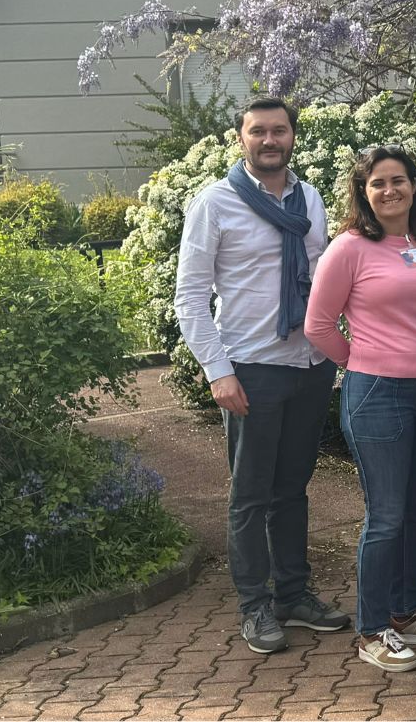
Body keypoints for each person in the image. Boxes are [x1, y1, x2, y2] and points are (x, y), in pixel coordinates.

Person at [174, 97, 351, 653]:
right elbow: (189, 298)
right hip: (250, 367)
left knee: (293, 489)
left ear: (292, 136)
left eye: (279, 130)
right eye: (258, 132)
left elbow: (325, 275)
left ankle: (293, 596)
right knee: (250, 495)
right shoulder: (216, 203)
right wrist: (216, 371)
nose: (269, 140)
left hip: (309, 364)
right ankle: (254, 605)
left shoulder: (310, 198)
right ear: (241, 139)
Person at [305, 147, 416, 671]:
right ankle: (371, 628)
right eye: (378, 183)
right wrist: (366, 362)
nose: (390, 190)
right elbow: (319, 325)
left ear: (415, 186)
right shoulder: (348, 248)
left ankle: (402, 611)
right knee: (387, 516)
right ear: (364, 193)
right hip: (378, 395)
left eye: (399, 180)